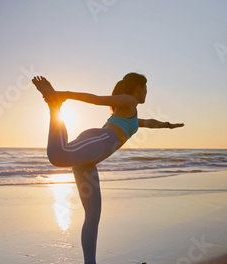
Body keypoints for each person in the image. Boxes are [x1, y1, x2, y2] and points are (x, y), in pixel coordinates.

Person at [32, 73, 184, 264]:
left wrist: (167, 125)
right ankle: (54, 107)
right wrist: (64, 94)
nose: (147, 92)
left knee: (93, 214)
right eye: (146, 88)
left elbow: (146, 123)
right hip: (100, 141)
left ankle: (90, 262)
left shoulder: (130, 111)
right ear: (138, 87)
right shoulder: (128, 101)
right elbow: (97, 100)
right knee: (57, 156)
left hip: (91, 157)